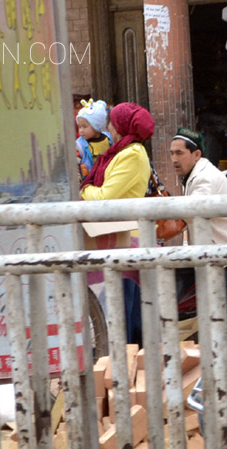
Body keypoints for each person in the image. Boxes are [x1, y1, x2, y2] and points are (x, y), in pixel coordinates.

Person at [169, 126, 227, 339]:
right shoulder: (193, 175)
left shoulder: (203, 178)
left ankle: (221, 357)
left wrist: (167, 208)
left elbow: (195, 211)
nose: (174, 159)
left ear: (196, 154)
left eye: (179, 153)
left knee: (218, 300)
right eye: (171, 153)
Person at [82, 102, 156, 345]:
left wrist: (85, 190)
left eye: (113, 122)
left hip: (127, 240)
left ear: (123, 125)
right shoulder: (120, 152)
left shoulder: (132, 154)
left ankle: (125, 371)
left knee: (122, 318)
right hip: (115, 238)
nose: (110, 127)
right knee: (119, 314)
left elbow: (105, 197)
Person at [74, 98, 110, 189]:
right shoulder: (79, 145)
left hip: (107, 182)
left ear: (97, 126)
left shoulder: (109, 140)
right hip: (88, 185)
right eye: (79, 127)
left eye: (85, 127)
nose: (81, 131)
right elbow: (75, 165)